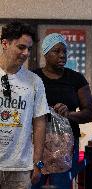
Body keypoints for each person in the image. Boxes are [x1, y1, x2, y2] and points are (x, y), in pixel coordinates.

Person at [31, 33, 92, 189]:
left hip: (65, 146)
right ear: (45, 53)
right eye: (57, 51)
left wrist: (69, 114)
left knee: (61, 184)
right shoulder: (33, 77)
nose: (62, 55)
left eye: (64, 51)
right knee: (33, 182)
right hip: (36, 144)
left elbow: (89, 113)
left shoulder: (76, 79)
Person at [0, 21, 49, 188]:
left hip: (20, 168)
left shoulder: (35, 82)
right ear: (5, 43)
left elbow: (40, 123)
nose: (26, 53)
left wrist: (38, 163)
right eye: (21, 47)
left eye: (29, 49)